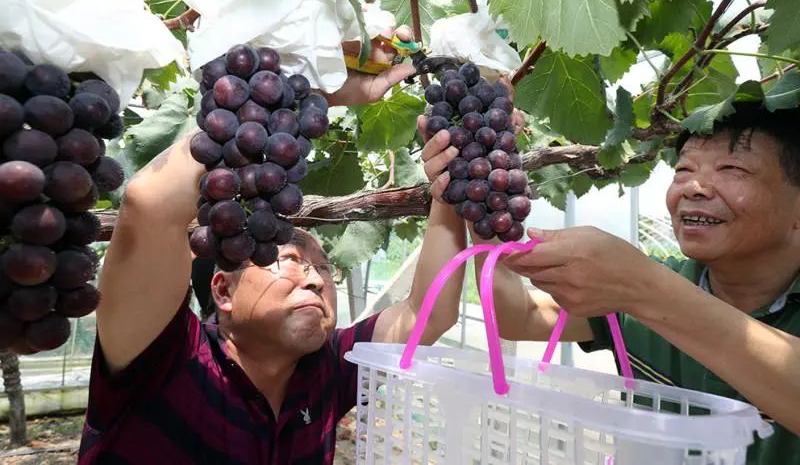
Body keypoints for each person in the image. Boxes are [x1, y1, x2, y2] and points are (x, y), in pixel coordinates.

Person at [77, 28, 469, 464]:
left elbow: (428, 312)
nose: (316, 280)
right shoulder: (160, 354)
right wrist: (287, 91)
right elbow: (149, 205)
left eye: (324, 269)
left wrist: (449, 187)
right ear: (222, 290)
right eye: (290, 260)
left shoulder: (328, 370)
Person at [419, 101, 800, 464]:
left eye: (732, 170)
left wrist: (645, 291)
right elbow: (520, 315)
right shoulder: (650, 288)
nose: (694, 187)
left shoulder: (645, 289)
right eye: (684, 171)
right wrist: (483, 200)